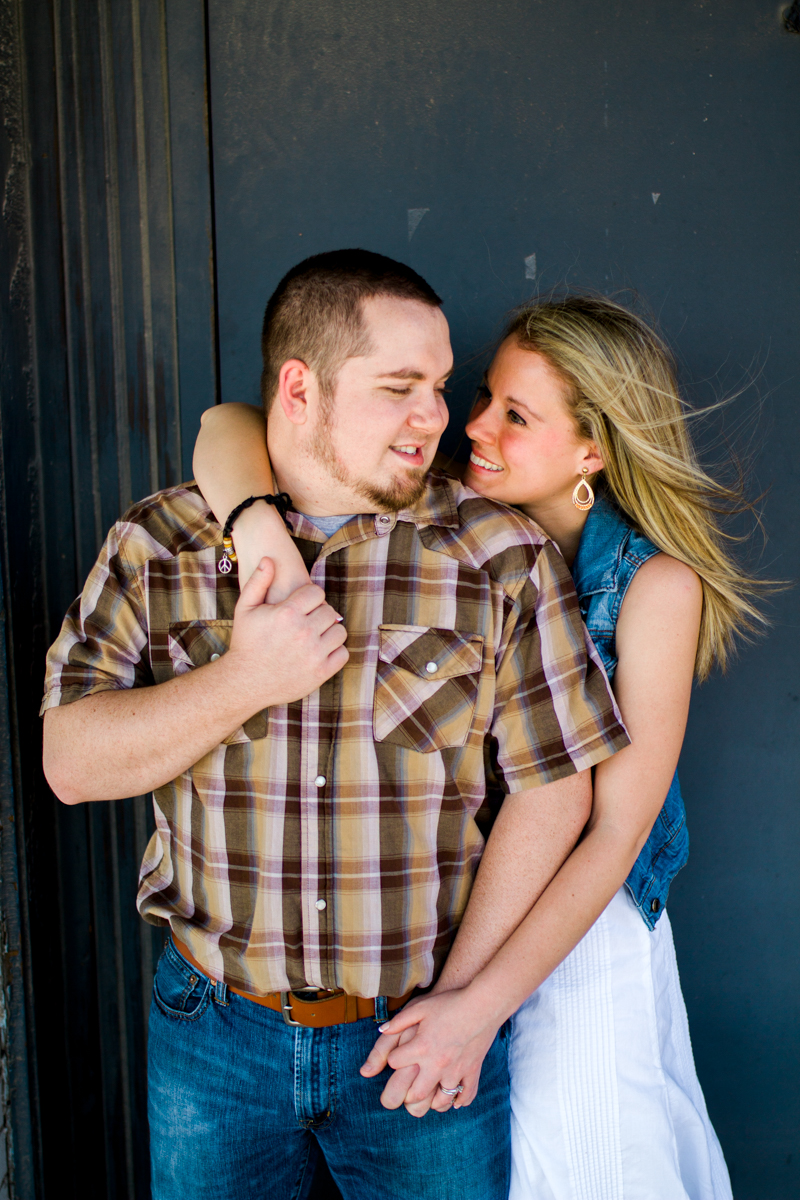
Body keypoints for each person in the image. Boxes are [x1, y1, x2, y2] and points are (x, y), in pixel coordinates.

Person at [41, 251, 629, 1200]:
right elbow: (69, 764)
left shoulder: (497, 555)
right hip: (213, 1041)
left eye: (439, 387)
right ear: (300, 388)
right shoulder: (160, 546)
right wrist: (244, 678)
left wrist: (464, 1006)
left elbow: (556, 790)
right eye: (400, 388)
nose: (436, 418)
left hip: (417, 1042)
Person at [194, 292, 766, 1199]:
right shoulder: (462, 517)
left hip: (578, 942)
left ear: (593, 452)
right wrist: (256, 525)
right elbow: (226, 424)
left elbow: (614, 836)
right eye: (485, 398)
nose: (473, 426)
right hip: (464, 920)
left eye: (514, 414)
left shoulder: (651, 588)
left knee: (583, 1167)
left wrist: (477, 1007)